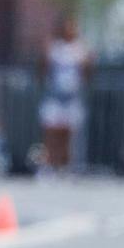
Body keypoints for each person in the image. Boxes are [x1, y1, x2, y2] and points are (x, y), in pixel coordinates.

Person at [38, 14, 89, 175]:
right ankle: (49, 166)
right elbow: (42, 69)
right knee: (51, 132)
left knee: (68, 134)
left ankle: (65, 167)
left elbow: (87, 73)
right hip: (55, 96)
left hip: (71, 97)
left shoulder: (80, 49)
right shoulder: (55, 48)